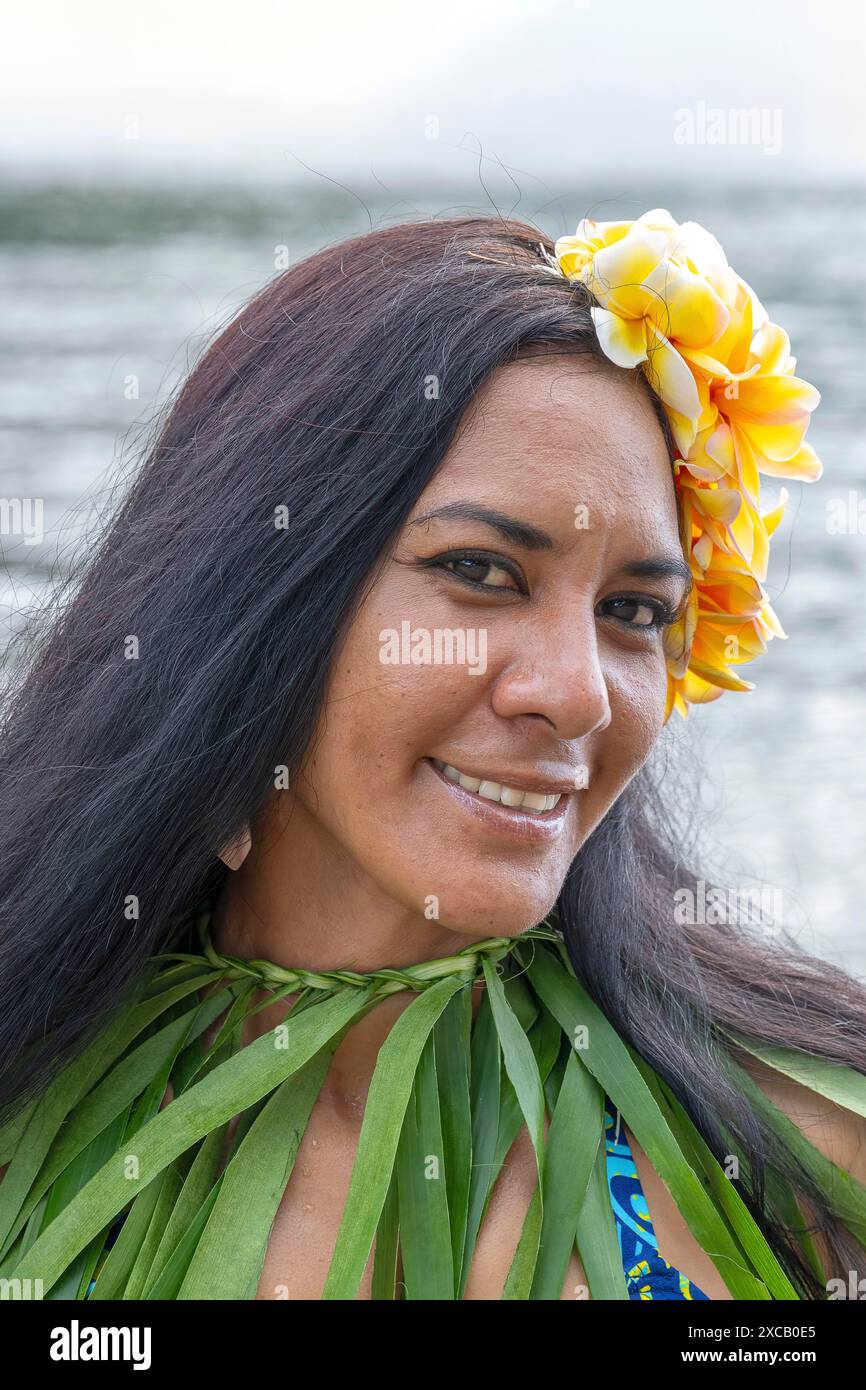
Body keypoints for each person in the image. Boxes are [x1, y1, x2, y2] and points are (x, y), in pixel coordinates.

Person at [1, 211, 864, 1301]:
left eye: (634, 609)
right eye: (481, 569)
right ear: (256, 597)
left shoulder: (809, 1156)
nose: (577, 692)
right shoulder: (29, 1118)